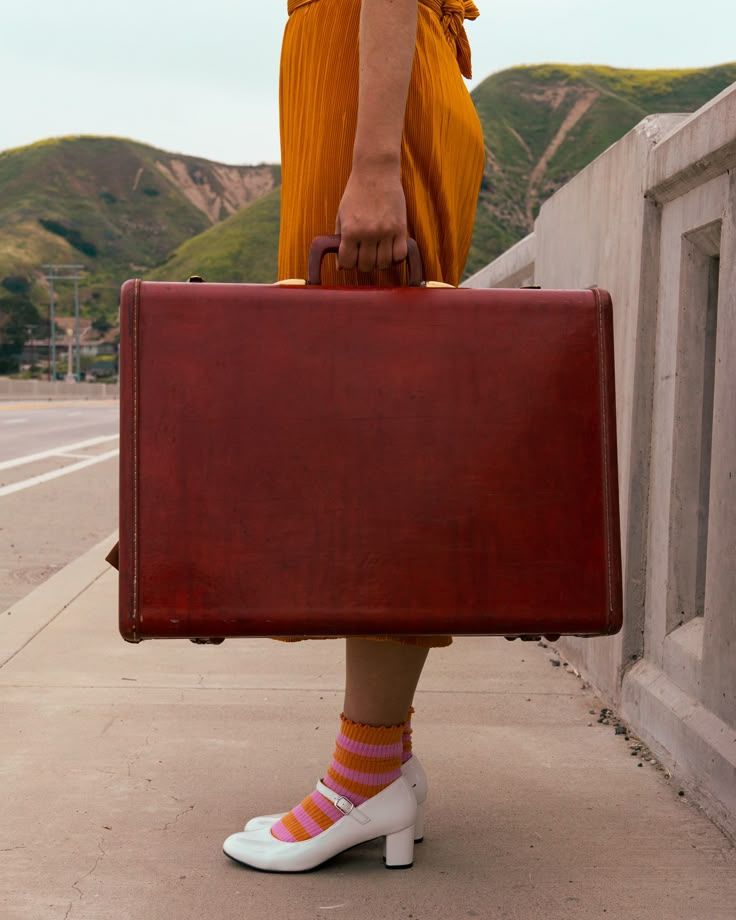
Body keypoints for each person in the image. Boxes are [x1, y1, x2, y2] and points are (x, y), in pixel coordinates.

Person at [222, 0, 485, 872]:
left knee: (376, 451)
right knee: (365, 440)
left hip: (370, 83)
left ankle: (365, 776)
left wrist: (373, 161)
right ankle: (383, 763)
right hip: (364, 76)